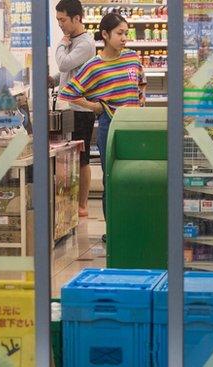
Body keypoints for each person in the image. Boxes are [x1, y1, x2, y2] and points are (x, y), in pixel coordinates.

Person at [58, 11, 146, 233]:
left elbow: (141, 81)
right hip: (111, 125)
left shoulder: (132, 57)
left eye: (126, 33)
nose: (125, 38)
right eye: (120, 33)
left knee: (136, 178)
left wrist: (140, 97)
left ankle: (134, 226)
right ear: (105, 34)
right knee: (112, 179)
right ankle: (114, 230)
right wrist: (94, 106)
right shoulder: (94, 66)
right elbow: (68, 92)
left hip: (135, 125)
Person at [50, 0, 95, 218]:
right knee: (70, 157)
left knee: (82, 158)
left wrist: (60, 44)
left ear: (77, 18)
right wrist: (54, 80)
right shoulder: (74, 40)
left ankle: (83, 205)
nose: (60, 24)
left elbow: (64, 63)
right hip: (69, 106)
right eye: (58, 20)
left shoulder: (84, 43)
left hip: (81, 109)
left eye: (63, 20)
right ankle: (70, 200)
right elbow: (70, 72)